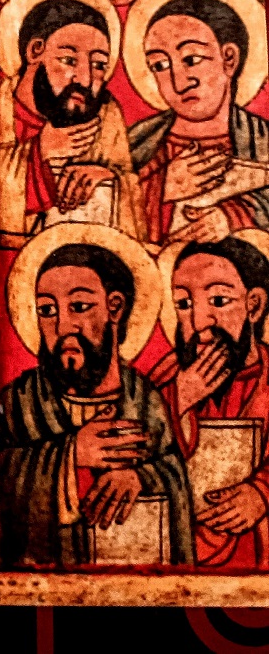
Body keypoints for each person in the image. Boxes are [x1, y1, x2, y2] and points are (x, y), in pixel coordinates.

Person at [0, 240, 191, 567]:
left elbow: (176, 477)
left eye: (79, 306)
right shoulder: (18, 402)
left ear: (115, 307)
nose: (62, 326)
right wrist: (71, 454)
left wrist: (140, 478)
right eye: (47, 310)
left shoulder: (146, 401)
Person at [150, 238, 269, 568]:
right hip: (175, 546)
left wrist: (262, 492)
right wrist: (178, 398)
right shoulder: (165, 377)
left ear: (254, 306)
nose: (200, 323)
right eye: (184, 304)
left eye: (218, 300)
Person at [0, 0, 142, 238]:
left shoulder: (106, 115)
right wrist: (40, 150)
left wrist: (109, 179)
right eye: (69, 60)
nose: (85, 78)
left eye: (99, 65)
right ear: (35, 50)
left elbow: (134, 211)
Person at [129, 0, 269, 244]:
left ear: (229, 59)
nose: (179, 82)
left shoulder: (263, 140)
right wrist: (162, 187)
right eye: (160, 65)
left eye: (192, 59)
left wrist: (235, 216)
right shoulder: (137, 143)